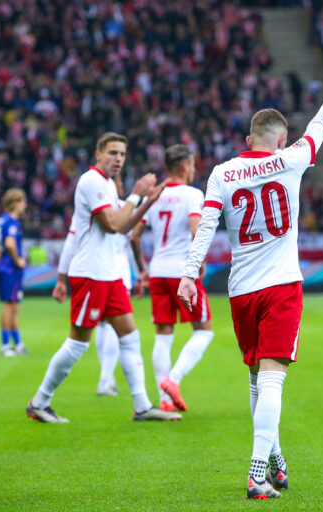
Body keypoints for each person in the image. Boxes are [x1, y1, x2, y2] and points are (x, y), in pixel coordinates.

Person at [177, 36, 323, 499]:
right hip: (282, 286)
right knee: (272, 379)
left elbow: (205, 229)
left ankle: (275, 460)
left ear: (248, 141)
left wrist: (189, 277)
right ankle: (255, 472)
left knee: (256, 378)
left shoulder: (222, 173)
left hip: (241, 290)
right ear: (281, 140)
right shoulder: (292, 160)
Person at [28, 132, 180, 423]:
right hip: (91, 274)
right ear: (98, 154)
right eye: (112, 153)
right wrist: (136, 193)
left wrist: (148, 202)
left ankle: (142, 406)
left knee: (131, 337)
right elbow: (111, 224)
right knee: (78, 343)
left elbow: (123, 228)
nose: (118, 159)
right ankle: (39, 401)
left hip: (110, 276)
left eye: (122, 154)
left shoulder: (108, 185)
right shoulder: (91, 181)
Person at [133, 144, 214, 413]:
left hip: (157, 272)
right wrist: (199, 263)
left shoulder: (157, 196)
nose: (193, 170)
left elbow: (134, 234)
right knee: (204, 331)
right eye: (192, 165)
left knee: (163, 335)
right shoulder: (192, 194)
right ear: (184, 166)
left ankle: (164, 400)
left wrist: (141, 268)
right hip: (181, 273)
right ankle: (173, 380)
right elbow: (196, 230)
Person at [54, 172, 147, 397]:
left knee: (107, 328)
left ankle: (107, 378)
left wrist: (61, 277)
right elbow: (132, 238)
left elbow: (73, 239)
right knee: (110, 331)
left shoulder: (110, 208)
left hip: (111, 274)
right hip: (111, 273)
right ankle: (107, 378)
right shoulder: (124, 207)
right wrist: (139, 273)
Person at [0, 188, 29, 357]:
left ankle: (18, 344)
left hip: (5, 267)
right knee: (9, 305)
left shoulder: (1, 221)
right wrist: (16, 260)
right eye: (23, 202)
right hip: (11, 269)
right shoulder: (12, 223)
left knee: (14, 306)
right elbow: (10, 244)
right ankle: (5, 345)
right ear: (16, 204)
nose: (25, 206)